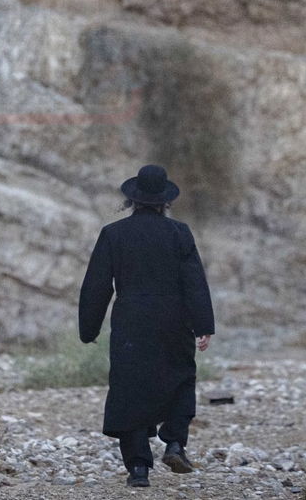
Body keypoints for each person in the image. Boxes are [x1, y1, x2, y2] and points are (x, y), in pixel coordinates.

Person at [79, 164, 215, 489]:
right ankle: (175, 444)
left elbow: (98, 285)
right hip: (173, 319)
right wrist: (203, 325)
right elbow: (194, 282)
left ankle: (139, 468)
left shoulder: (114, 234)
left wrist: (89, 328)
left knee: (130, 388)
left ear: (133, 200)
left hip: (131, 322)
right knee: (181, 377)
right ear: (165, 201)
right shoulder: (179, 233)